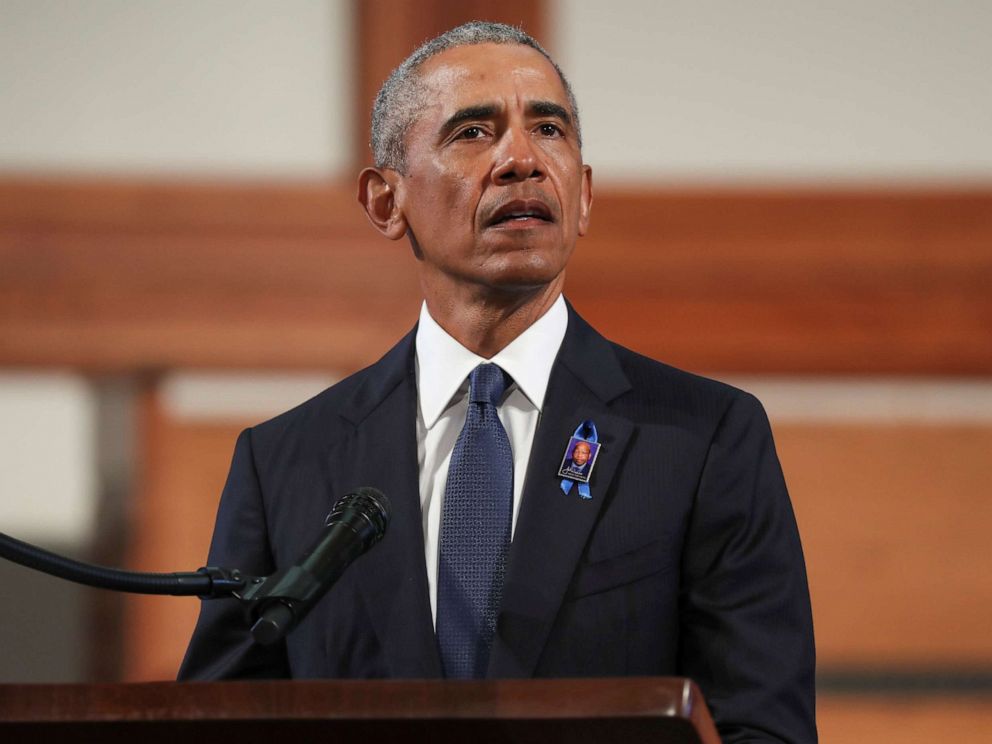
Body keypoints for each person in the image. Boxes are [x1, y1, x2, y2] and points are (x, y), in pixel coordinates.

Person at [179, 21, 816, 743]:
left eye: (549, 128)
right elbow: (215, 722)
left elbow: (764, 728)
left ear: (584, 196)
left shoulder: (703, 440)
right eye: (473, 133)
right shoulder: (286, 462)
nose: (522, 159)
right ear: (386, 202)